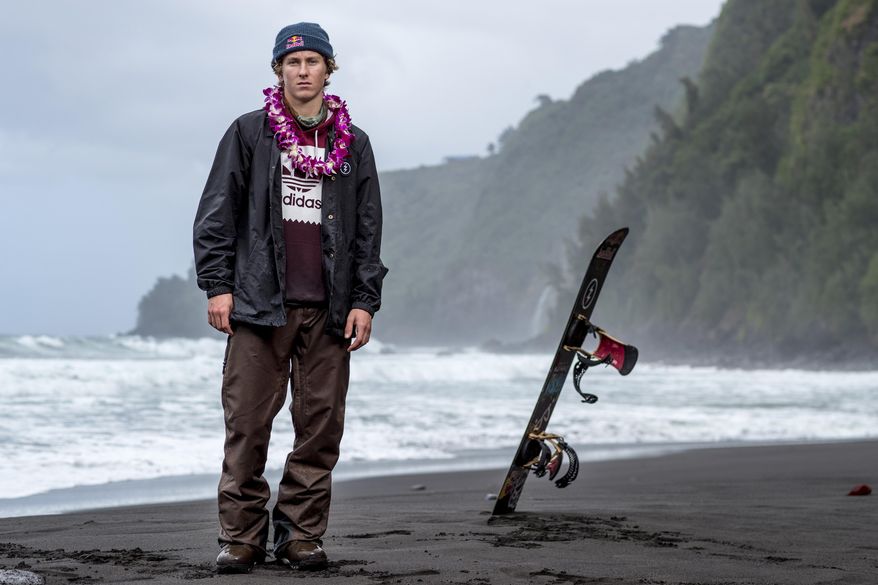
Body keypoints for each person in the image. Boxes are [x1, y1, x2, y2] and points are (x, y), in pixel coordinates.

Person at [193, 22, 387, 573]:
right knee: (248, 426)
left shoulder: (355, 144)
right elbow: (215, 215)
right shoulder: (249, 133)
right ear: (278, 71)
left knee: (321, 430)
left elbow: (368, 231)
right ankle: (242, 537)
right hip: (258, 305)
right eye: (293, 63)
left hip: (329, 309)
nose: (303, 72)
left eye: (313, 63)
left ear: (329, 69)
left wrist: (363, 300)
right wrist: (219, 286)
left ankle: (301, 534)